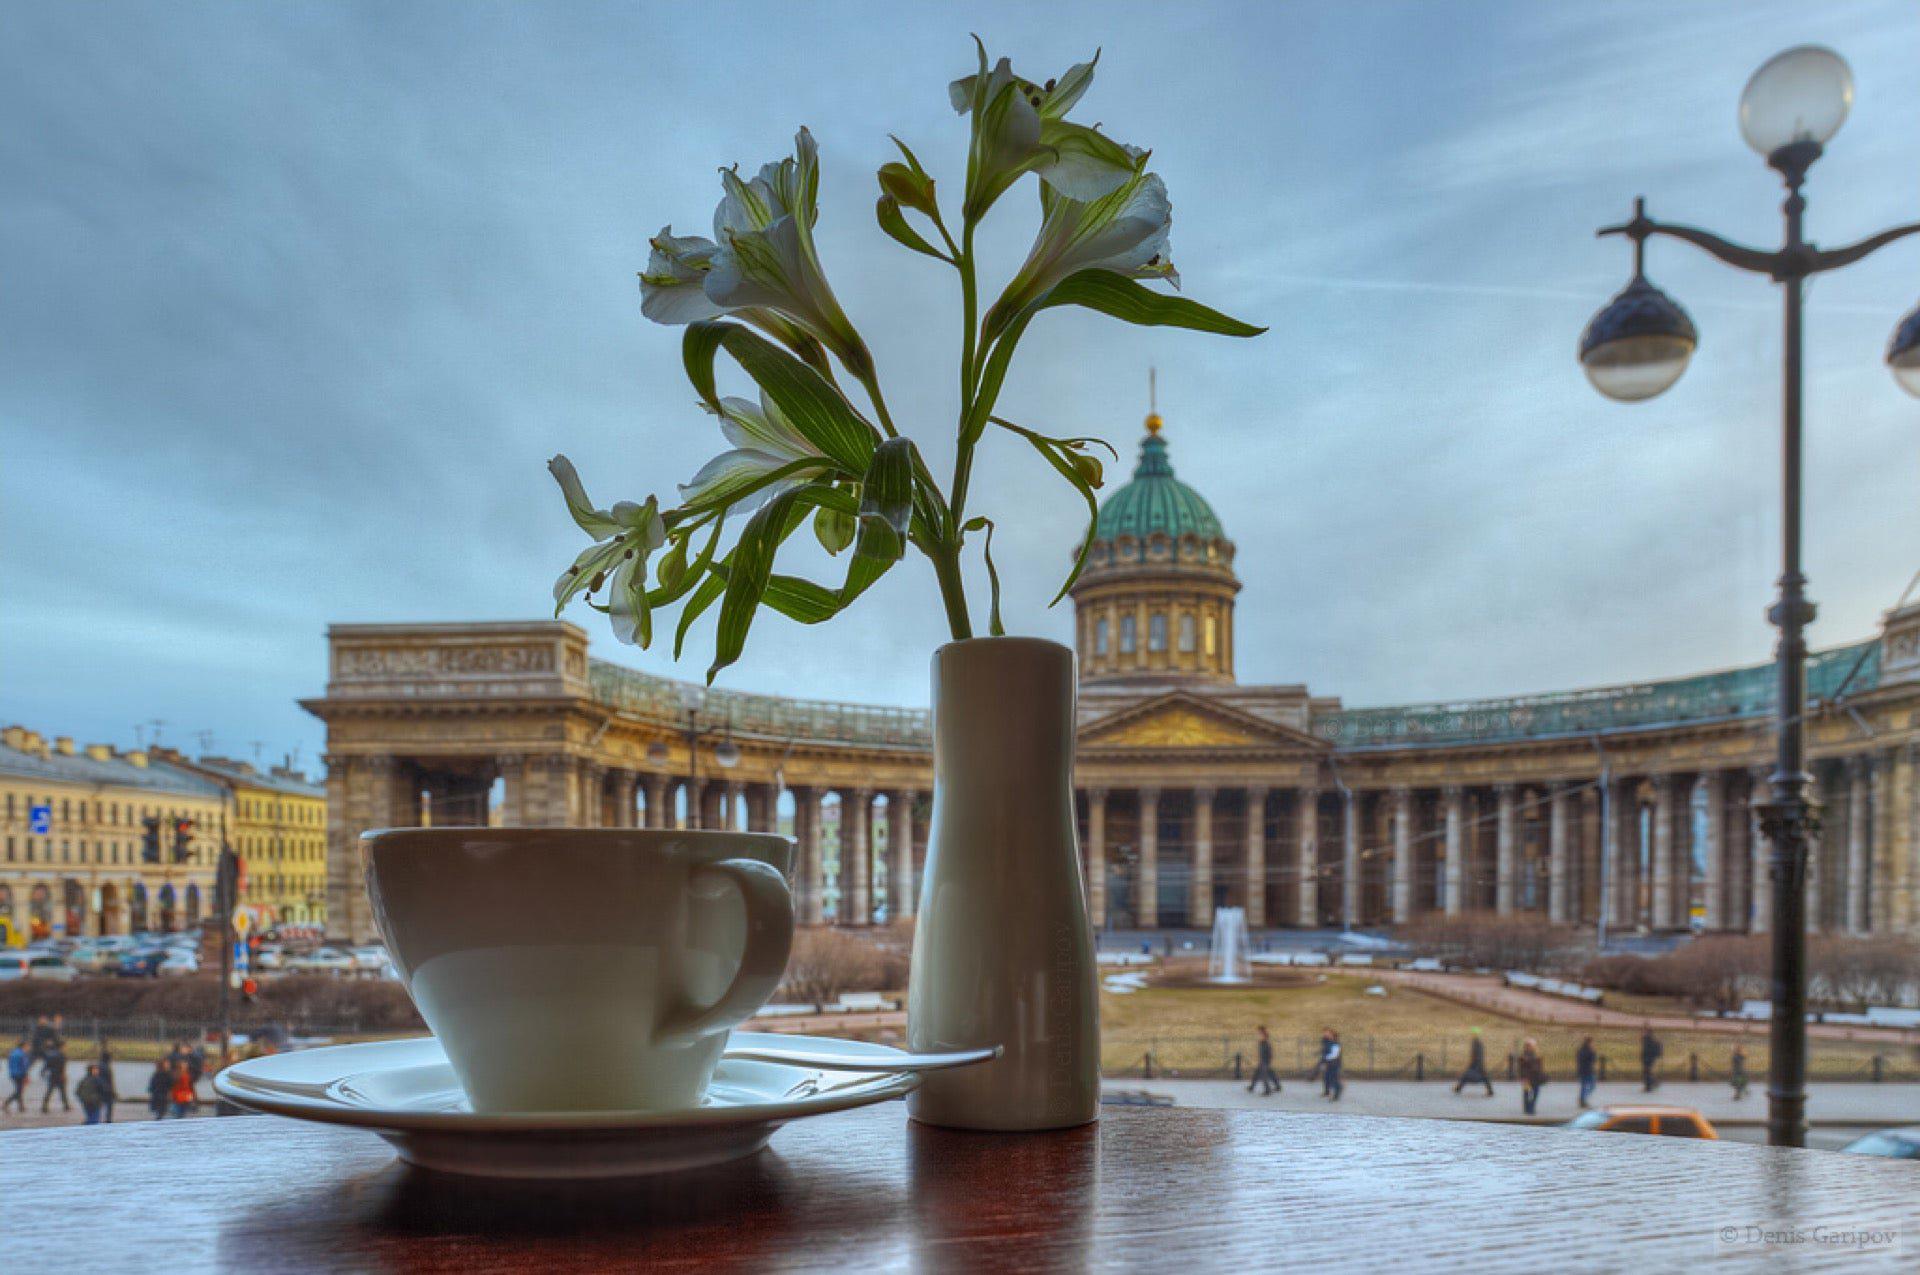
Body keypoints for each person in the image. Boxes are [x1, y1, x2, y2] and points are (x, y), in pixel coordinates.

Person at [1453, 1027, 1494, 1096]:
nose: (1472, 1035)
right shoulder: (1476, 1043)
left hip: (1477, 1065)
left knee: (1467, 1075)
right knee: (1481, 1076)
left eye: (1473, 1034)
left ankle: (1458, 1089)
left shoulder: (1477, 1044)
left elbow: (1476, 1056)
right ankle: (1458, 1089)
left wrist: (1474, 1065)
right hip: (1477, 1065)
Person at [1247, 1026, 1281, 1096]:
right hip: (1263, 1060)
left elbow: (1269, 1053)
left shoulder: (1265, 1043)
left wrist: (1267, 1062)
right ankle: (1277, 1086)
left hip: (1265, 1061)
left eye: (1259, 1033)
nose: (1258, 1035)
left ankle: (1267, 1090)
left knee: (1263, 1075)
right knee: (1259, 1073)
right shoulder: (1262, 1042)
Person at [1518, 1038, 1547, 1115]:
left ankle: (1530, 1107)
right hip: (1527, 1078)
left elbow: (1540, 1067)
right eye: (1530, 1045)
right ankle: (1528, 1108)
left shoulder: (1536, 1055)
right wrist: (1523, 1078)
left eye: (1532, 1045)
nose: (1532, 1047)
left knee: (1535, 1093)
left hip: (1536, 1078)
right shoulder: (1523, 1056)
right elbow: (1522, 1069)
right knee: (1527, 1093)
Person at [39, 1041, 70, 1113]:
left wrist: (43, 1072)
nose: (66, 1048)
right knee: (62, 1091)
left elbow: (47, 1065)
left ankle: (44, 1106)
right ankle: (66, 1106)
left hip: (52, 1075)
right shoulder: (62, 1055)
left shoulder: (51, 1054)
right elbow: (63, 1067)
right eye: (65, 1046)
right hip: (59, 1075)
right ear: (61, 1047)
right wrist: (64, 1075)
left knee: (50, 1091)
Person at [4, 1040, 29, 1114]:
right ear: (23, 1046)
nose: (28, 1048)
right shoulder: (22, 1054)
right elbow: (24, 1066)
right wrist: (26, 1075)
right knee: (19, 1091)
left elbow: (10, 1064)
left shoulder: (13, 1053)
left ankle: (21, 1106)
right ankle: (7, 1103)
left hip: (13, 1074)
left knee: (19, 1089)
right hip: (20, 1074)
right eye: (27, 1046)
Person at [1319, 1029, 1344, 1101]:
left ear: (1332, 1035)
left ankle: (1337, 1093)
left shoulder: (1335, 1044)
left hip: (1334, 1064)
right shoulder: (1326, 1042)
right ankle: (1327, 1092)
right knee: (1326, 1078)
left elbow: (1334, 1055)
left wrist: (1325, 1059)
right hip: (1328, 1063)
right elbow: (1324, 1050)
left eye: (1328, 1034)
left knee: (1333, 1079)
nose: (1325, 1035)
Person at [1574, 1036, 1598, 1109]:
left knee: (1584, 1086)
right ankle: (1583, 1099)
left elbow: (1578, 1060)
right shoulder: (1590, 1051)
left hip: (1581, 1071)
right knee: (1592, 1086)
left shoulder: (1580, 1050)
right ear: (1589, 1043)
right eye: (1592, 1043)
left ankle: (1582, 1099)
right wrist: (1593, 1052)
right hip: (1588, 1071)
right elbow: (1593, 1060)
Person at [1639, 1025, 1663, 1093]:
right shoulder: (1646, 1039)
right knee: (1647, 1072)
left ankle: (1648, 1087)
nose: (1642, 1033)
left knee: (1647, 1072)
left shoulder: (1648, 1039)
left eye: (1644, 1032)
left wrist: (1647, 1056)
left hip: (1648, 1058)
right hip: (1648, 1058)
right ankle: (1654, 1082)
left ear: (1647, 1032)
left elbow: (1647, 1049)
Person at [97, 1042, 117, 1123]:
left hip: (99, 1088)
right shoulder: (107, 1068)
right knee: (109, 1104)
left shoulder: (98, 1066)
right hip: (106, 1089)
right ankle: (108, 1119)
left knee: (99, 1105)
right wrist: (113, 1091)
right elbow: (110, 1080)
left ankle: (97, 1118)